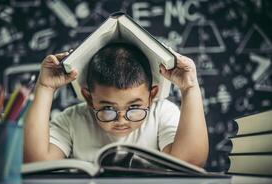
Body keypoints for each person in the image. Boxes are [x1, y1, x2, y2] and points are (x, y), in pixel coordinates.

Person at [24, 42, 208, 167]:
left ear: (152, 95)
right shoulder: (72, 119)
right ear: (89, 99)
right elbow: (35, 162)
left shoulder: (161, 113)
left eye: (135, 108)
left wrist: (190, 88)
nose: (121, 120)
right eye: (108, 109)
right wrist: (45, 87)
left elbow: (191, 162)